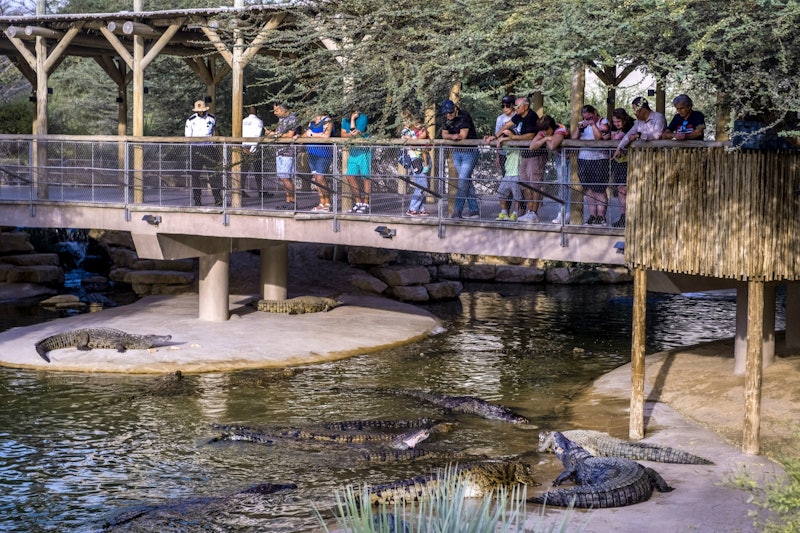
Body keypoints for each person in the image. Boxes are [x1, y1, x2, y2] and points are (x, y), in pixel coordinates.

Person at [492, 97, 540, 221]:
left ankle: (534, 212)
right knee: (524, 184)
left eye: (517, 107)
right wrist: (496, 136)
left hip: (535, 154)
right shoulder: (518, 115)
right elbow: (507, 125)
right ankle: (529, 211)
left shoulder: (532, 117)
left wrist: (512, 137)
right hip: (525, 155)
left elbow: (530, 136)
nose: (515, 109)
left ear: (525, 107)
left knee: (534, 184)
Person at [440, 99, 480, 219]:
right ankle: (474, 210)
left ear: (455, 109)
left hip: (470, 152)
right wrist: (452, 136)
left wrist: (456, 136)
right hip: (457, 152)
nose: (448, 115)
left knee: (462, 180)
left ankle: (457, 211)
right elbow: (444, 134)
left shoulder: (464, 116)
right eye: (446, 113)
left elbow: (463, 135)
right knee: (466, 181)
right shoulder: (446, 119)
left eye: (450, 112)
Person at [571, 104, 611, 225]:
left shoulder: (603, 122)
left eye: (589, 117)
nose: (587, 120)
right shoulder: (582, 124)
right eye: (585, 118)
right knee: (588, 190)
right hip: (583, 159)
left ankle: (601, 217)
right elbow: (574, 139)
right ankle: (592, 216)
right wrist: (579, 129)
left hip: (599, 159)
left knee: (599, 189)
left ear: (595, 113)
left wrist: (593, 125)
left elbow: (599, 138)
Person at [528, 115, 569, 223]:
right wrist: (546, 138)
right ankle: (562, 212)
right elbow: (532, 146)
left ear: (552, 126)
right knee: (562, 185)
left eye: (546, 129)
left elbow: (552, 146)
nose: (545, 132)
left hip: (571, 159)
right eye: (543, 130)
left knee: (569, 185)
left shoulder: (560, 130)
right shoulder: (544, 132)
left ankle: (568, 213)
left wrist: (544, 140)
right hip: (560, 158)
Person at [185, 99, 221, 206]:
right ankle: (197, 199)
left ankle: (218, 198)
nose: (201, 112)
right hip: (196, 149)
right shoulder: (190, 120)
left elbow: (214, 132)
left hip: (209, 149)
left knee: (214, 175)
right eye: (198, 110)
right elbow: (188, 136)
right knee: (195, 176)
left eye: (202, 110)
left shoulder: (212, 118)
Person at [264, 102, 299, 209]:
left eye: (277, 110)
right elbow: (279, 132)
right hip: (279, 150)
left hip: (288, 152)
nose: (275, 113)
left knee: (285, 177)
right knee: (283, 178)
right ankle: (288, 201)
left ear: (284, 109)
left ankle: (292, 201)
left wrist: (273, 134)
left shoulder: (292, 119)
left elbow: (289, 135)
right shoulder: (281, 119)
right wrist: (272, 133)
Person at [298, 113, 334, 212]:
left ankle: (328, 203)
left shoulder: (327, 120)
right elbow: (305, 135)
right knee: (316, 178)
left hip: (323, 153)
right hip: (311, 153)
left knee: (320, 177)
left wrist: (311, 134)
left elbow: (326, 135)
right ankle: (321, 202)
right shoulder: (311, 123)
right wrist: (300, 136)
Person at [340, 108, 371, 213]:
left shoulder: (363, 117)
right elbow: (343, 134)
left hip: (363, 150)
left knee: (366, 177)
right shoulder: (345, 119)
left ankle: (366, 203)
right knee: (350, 176)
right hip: (353, 150)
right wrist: (350, 134)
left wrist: (353, 119)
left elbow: (356, 134)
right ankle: (358, 202)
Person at [608, 107, 635, 228]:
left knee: (627, 188)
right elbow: (611, 137)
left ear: (624, 120)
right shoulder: (614, 128)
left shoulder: (630, 126)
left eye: (618, 121)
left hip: (630, 162)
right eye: (614, 122)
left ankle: (631, 215)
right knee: (621, 189)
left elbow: (617, 137)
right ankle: (623, 216)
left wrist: (616, 135)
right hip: (619, 162)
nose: (616, 124)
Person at [241, 105, 264, 199]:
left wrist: (243, 147)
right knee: (258, 170)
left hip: (244, 147)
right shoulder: (259, 122)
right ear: (257, 111)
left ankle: (241, 190)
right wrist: (253, 149)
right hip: (255, 147)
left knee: (243, 170)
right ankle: (260, 191)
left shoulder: (243, 121)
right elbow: (257, 135)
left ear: (248, 111)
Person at [494, 144, 521, 221]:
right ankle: (504, 212)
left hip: (516, 174)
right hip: (507, 174)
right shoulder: (506, 146)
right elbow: (499, 146)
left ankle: (515, 213)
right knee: (501, 193)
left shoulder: (518, 147)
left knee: (517, 196)